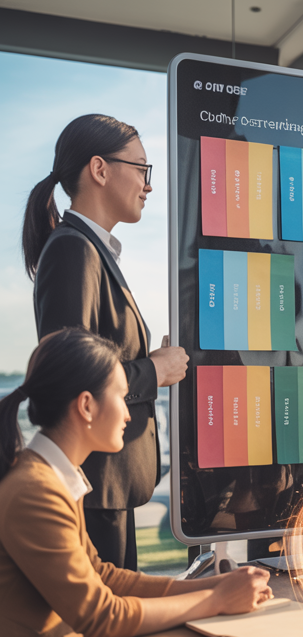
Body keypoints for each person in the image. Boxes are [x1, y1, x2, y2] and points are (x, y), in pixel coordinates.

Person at [0, 328, 270, 637]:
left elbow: (103, 576)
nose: (129, 413)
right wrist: (215, 600)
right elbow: (101, 617)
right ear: (87, 406)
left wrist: (214, 586)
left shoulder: (52, 474)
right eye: (122, 395)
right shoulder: (36, 490)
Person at [23, 114, 190, 570]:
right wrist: (156, 369)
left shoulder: (88, 250)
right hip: (97, 484)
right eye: (142, 169)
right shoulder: (74, 249)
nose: (148, 185)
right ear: (99, 169)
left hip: (108, 485)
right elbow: (71, 376)